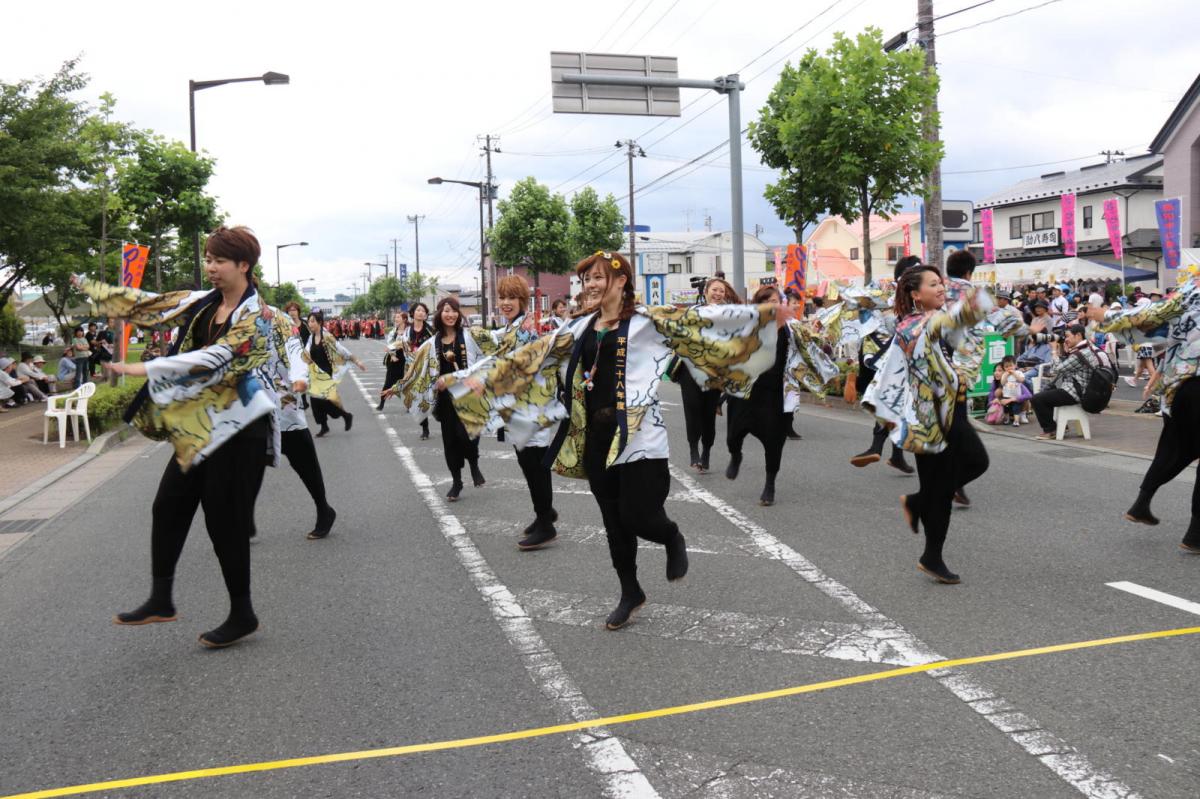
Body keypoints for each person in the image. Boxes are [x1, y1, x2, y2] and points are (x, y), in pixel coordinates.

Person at [443, 251, 783, 630]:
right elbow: (531, 356)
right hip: (595, 440)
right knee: (613, 523)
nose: (590, 285)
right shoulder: (579, 328)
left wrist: (763, 320)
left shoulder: (646, 323)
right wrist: (474, 380)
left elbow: (701, 323)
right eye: (586, 279)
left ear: (621, 282)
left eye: (599, 277)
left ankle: (670, 535)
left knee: (638, 516)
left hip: (641, 439)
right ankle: (630, 591)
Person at [78, 225, 280, 648]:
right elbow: (150, 305)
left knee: (225, 523)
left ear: (244, 265)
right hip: (201, 424)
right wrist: (95, 289)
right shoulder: (202, 302)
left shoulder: (257, 316)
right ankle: (161, 598)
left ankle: (242, 614)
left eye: (218, 260)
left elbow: (219, 356)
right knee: (168, 504)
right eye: (207, 258)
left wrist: (149, 368)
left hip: (240, 427)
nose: (210, 267)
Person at [863, 266, 991, 584]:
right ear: (915, 294)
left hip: (950, 409)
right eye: (932, 284)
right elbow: (947, 325)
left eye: (941, 283)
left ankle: (929, 547)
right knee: (973, 463)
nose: (940, 288)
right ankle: (928, 533)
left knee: (946, 482)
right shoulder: (913, 325)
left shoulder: (935, 319)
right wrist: (972, 309)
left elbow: (960, 346)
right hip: (929, 416)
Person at [1086, 283, 1200, 551]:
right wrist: (1110, 317)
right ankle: (1195, 535)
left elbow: (1160, 323)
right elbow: (1155, 317)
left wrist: (1160, 372)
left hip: (1179, 386)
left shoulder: (1191, 290)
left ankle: (1142, 503)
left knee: (1173, 447)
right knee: (1179, 448)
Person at [247, 301, 338, 541]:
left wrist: (299, 377)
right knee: (251, 456)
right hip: (248, 398)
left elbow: (296, 352)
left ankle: (323, 508)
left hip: (282, 394)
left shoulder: (277, 318)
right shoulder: (227, 314)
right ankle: (246, 517)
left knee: (300, 455)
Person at [483, 275, 559, 549]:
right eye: (502, 297)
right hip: (517, 405)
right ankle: (544, 513)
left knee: (535, 461)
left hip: (534, 405)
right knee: (527, 460)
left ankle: (546, 523)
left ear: (522, 301)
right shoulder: (512, 328)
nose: (506, 303)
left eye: (511, 298)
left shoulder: (528, 328)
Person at [385, 296, 487, 500]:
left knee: (468, 438)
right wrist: (397, 387)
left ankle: (474, 463)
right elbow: (414, 369)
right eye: (446, 310)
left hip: (469, 396)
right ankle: (457, 482)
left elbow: (486, 359)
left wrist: (481, 380)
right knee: (450, 442)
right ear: (440, 314)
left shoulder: (470, 336)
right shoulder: (432, 343)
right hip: (446, 400)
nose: (450, 314)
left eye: (454, 310)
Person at [850, 255, 920, 472]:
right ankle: (878, 446)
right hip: (892, 361)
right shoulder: (891, 300)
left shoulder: (906, 299)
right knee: (895, 402)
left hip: (896, 361)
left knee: (896, 404)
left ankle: (893, 454)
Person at [725, 286, 792, 505]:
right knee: (734, 434)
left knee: (774, 441)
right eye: (768, 301)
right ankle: (736, 455)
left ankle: (770, 484)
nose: (774, 304)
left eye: (776, 300)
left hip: (772, 394)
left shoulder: (790, 330)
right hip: (746, 390)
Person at [675, 276, 738, 472]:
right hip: (691, 370)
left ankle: (706, 452)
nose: (718, 294)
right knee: (691, 409)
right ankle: (693, 449)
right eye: (715, 290)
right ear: (706, 291)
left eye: (721, 291)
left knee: (708, 413)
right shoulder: (693, 311)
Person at [1029, 324, 1101, 440]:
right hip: (1078, 389)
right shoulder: (1085, 349)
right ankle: (1061, 426)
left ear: (1078, 335)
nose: (1065, 339)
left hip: (1074, 392)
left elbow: (1056, 370)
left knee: (1037, 399)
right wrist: (1064, 350)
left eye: (1067, 336)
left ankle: (1050, 430)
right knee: (1048, 389)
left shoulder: (1079, 354)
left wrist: (1053, 350)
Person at [303, 310, 366, 437]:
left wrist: (356, 360)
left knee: (326, 401)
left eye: (312, 321)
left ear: (319, 322)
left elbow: (341, 350)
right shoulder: (310, 338)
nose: (310, 324)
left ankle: (346, 415)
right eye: (309, 321)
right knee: (315, 401)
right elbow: (306, 354)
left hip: (327, 372)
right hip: (316, 374)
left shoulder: (327, 337)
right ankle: (324, 426)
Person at [406, 302, 434, 439]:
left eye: (424, 311)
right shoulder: (407, 331)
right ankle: (425, 428)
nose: (421, 313)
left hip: (430, 367)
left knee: (434, 397)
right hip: (414, 368)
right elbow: (404, 346)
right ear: (412, 313)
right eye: (418, 310)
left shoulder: (431, 330)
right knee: (419, 398)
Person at [377, 310, 410, 411]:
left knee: (406, 382)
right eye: (395, 317)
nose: (396, 319)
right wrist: (392, 355)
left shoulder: (408, 331)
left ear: (404, 319)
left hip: (406, 359)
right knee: (388, 382)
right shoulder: (393, 331)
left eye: (398, 317)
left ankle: (409, 405)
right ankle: (381, 403)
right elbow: (389, 345)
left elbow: (410, 345)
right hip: (393, 359)